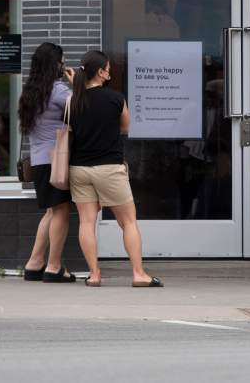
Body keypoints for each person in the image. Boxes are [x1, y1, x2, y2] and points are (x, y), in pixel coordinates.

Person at [68, 50, 161, 288]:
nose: (110, 72)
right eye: (108, 68)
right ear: (100, 72)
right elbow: (125, 128)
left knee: (86, 222)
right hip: (109, 168)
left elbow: (71, 128)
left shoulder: (72, 100)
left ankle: (94, 274)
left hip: (79, 169)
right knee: (128, 222)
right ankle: (139, 274)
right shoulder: (116, 99)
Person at [19, 42, 76, 283]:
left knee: (51, 212)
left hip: (40, 161)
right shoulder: (59, 91)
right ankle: (54, 267)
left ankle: (34, 263)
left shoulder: (30, 92)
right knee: (61, 212)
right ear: (56, 64)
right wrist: (77, 84)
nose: (63, 65)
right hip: (58, 160)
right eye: (61, 61)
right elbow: (84, 108)